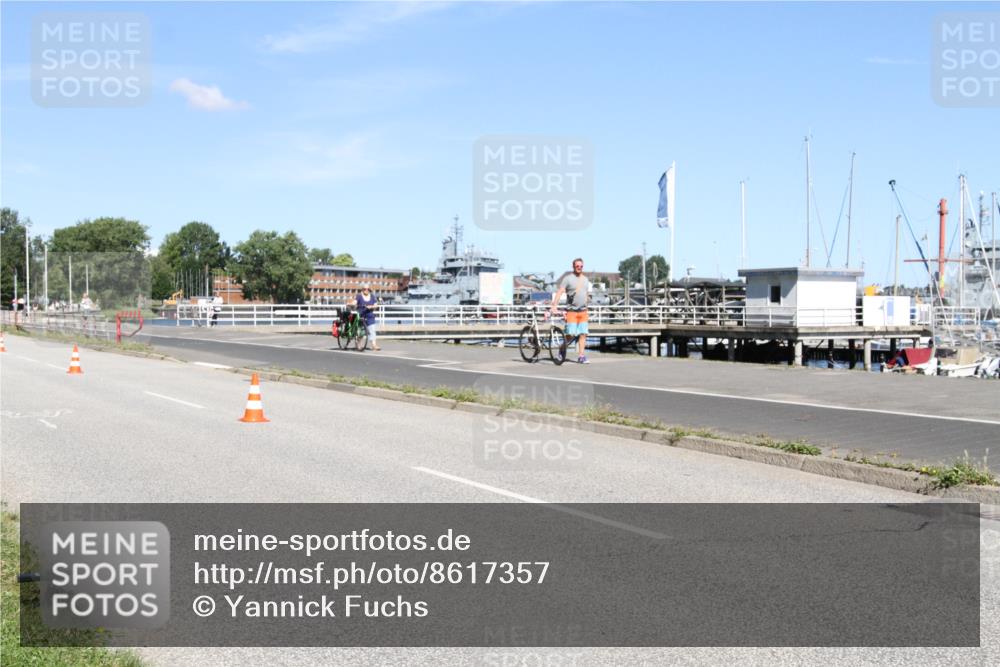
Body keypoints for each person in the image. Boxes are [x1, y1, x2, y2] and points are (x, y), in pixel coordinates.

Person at [551, 257, 591, 364]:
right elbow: (560, 292)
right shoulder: (568, 279)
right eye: (577, 266)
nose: (579, 268)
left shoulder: (586, 279)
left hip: (583, 311)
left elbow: (586, 293)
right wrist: (554, 305)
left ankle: (581, 356)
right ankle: (561, 349)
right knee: (570, 335)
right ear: (573, 266)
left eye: (581, 266)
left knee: (583, 334)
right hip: (572, 311)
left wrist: (587, 305)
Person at [356, 283, 381, 351]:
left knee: (372, 330)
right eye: (364, 289)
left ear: (369, 289)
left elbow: (376, 305)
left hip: (370, 316)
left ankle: (374, 345)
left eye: (367, 289)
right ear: (362, 289)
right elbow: (355, 302)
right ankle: (358, 344)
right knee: (361, 332)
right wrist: (352, 303)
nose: (366, 290)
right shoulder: (359, 296)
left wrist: (372, 306)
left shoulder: (372, 296)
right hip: (361, 316)